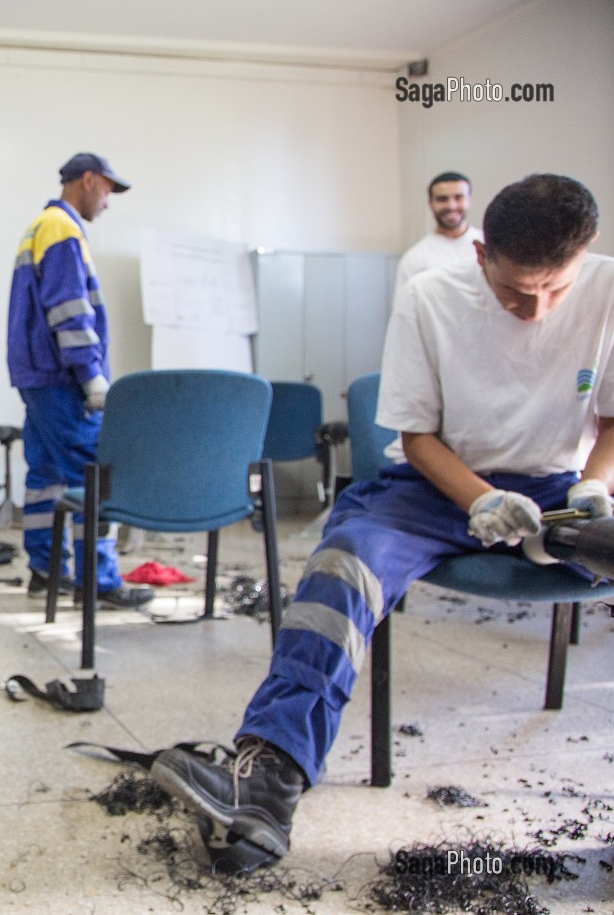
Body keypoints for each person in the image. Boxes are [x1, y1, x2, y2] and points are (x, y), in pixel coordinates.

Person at [151, 173, 613, 874]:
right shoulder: (430, 297)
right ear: (483, 253)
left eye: (555, 290)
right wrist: (480, 500)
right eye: (518, 291)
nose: (536, 309)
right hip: (434, 483)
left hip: (557, 486)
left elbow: (609, 419)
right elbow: (419, 437)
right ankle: (269, 778)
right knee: (346, 563)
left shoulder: (608, 289)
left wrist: (594, 487)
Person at [6, 153, 154, 609]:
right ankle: (99, 581)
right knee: (93, 476)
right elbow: (68, 310)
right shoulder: (63, 229)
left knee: (46, 477)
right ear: (88, 180)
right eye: (108, 190)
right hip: (62, 378)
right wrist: (91, 375)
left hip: (37, 376)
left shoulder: (39, 226)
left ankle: (45, 571)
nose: (108, 202)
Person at [393, 171, 483, 294]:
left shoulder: (491, 246)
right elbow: (404, 310)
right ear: (430, 204)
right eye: (442, 199)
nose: (451, 206)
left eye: (459, 197)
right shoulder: (414, 259)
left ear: (469, 200)